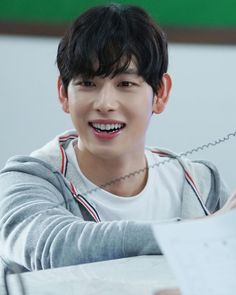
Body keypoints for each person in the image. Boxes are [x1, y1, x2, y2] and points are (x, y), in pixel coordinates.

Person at [0, 3, 232, 277]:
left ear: (160, 93)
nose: (105, 103)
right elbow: (54, 248)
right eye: (87, 83)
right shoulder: (30, 178)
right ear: (63, 93)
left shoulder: (202, 184)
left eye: (126, 84)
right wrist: (197, 233)